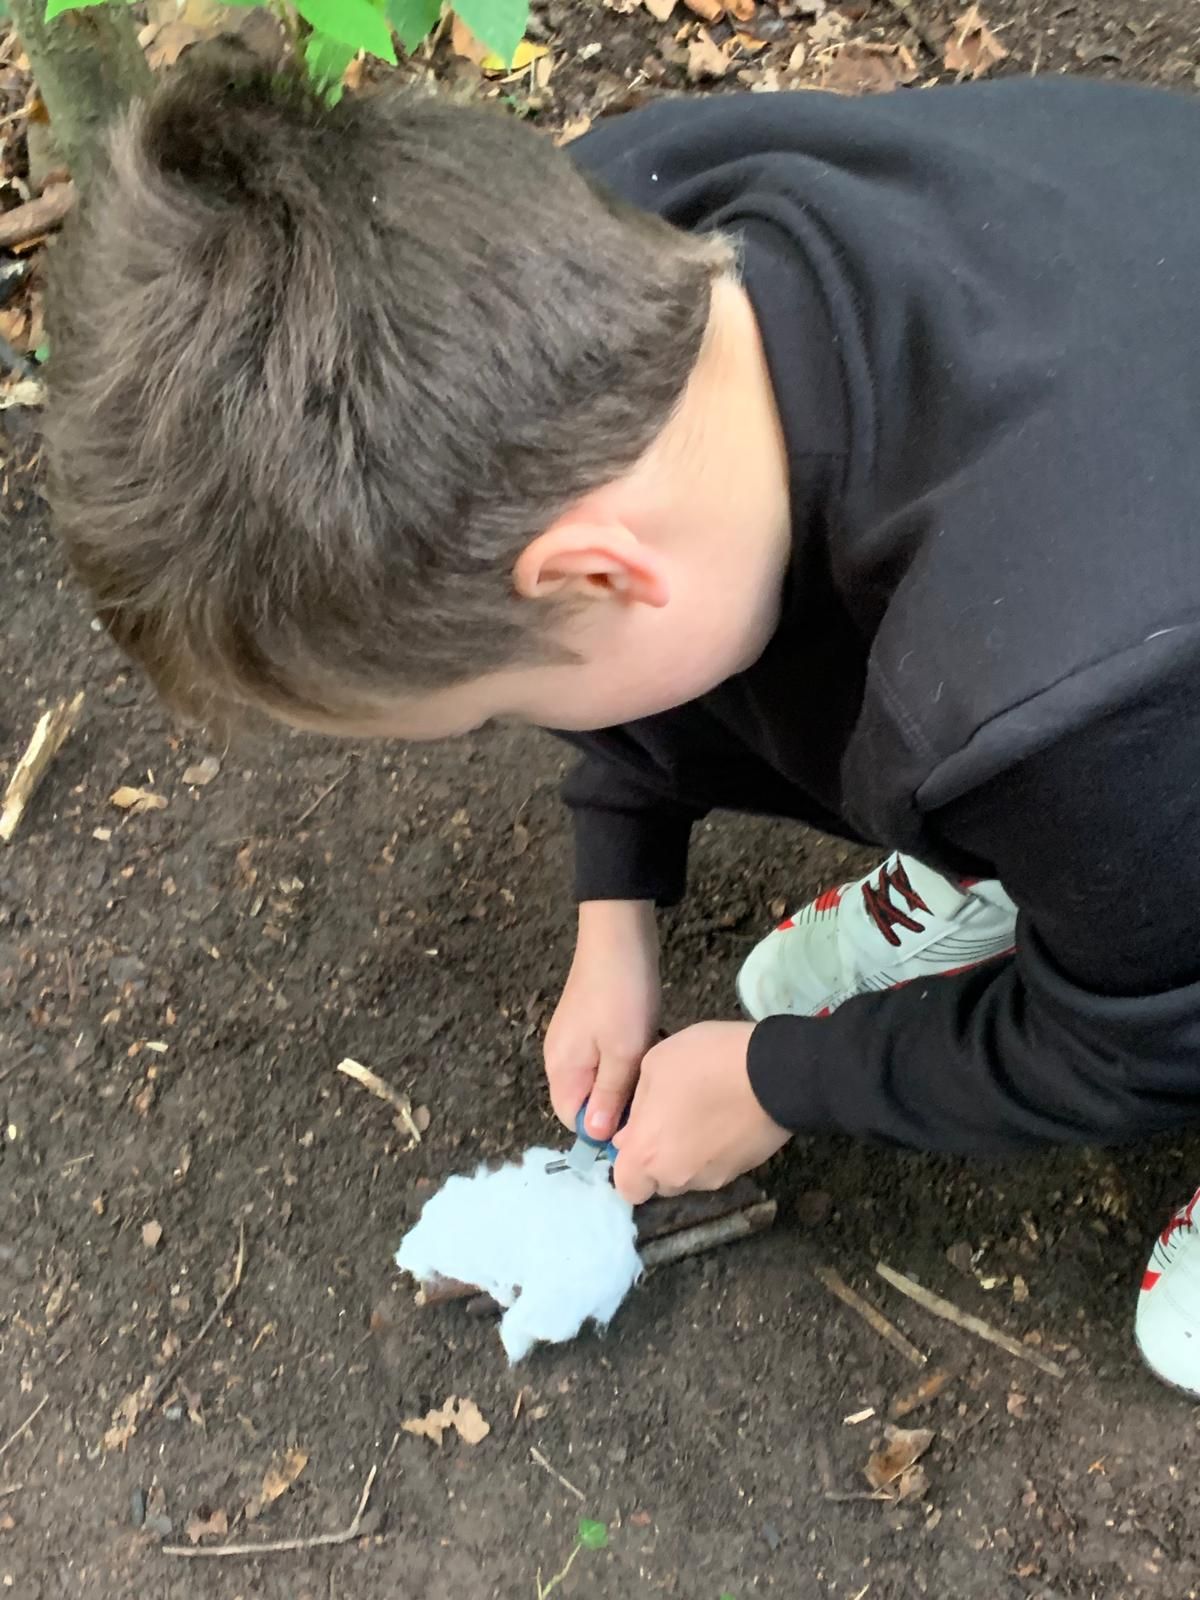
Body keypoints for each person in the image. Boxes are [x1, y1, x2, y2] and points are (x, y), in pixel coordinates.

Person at [44, 52, 1200, 1392]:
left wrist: (786, 1082)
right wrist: (618, 895)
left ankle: (1096, 890)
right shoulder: (612, 243)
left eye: (498, 710)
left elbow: (1133, 1048)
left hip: (1141, 686)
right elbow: (652, 652)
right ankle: (1059, 875)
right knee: (1093, 821)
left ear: (597, 576)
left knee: (1128, 907)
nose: (519, 723)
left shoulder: (1065, 695)